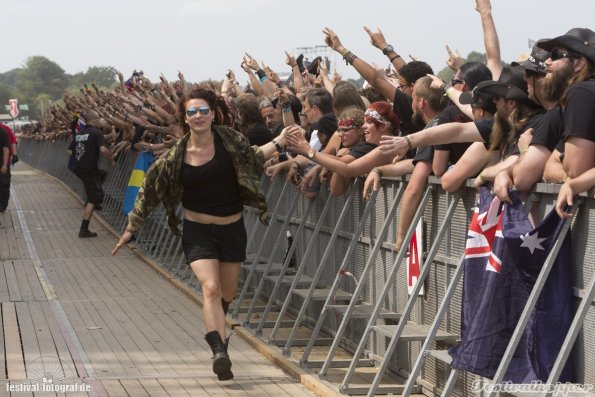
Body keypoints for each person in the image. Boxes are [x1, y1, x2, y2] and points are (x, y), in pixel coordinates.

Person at [111, 87, 287, 381]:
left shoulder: (231, 140)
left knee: (227, 293)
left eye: (203, 110)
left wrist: (281, 141)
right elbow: (150, 187)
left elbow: (253, 158)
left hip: (232, 229)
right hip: (197, 231)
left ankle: (221, 334)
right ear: (185, 118)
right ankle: (219, 352)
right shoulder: (177, 154)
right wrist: (131, 227)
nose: (198, 116)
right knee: (211, 289)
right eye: (191, 112)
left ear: (213, 112)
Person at [67, 110, 115, 237]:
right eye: (99, 118)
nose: (100, 120)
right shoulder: (96, 132)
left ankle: (93, 200)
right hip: (89, 169)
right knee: (95, 196)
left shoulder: (79, 133)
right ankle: (84, 229)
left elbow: (69, 150)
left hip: (78, 168)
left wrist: (81, 155)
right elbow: (103, 149)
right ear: (93, 120)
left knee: (101, 175)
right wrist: (111, 160)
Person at [0, 123, 17, 212]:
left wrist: (14, 154)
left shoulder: (5, 129)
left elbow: (12, 142)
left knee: (4, 184)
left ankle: (2, 204)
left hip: (3, 161)